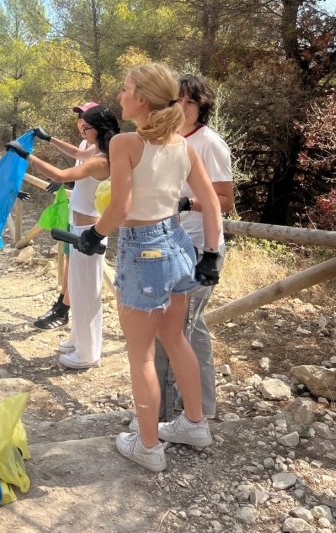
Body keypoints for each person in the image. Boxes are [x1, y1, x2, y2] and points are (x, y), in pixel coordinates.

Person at [73, 63, 222, 472]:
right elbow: (212, 202)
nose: (119, 96)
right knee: (175, 338)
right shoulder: (183, 147)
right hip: (177, 243)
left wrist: (93, 235)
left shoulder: (125, 143)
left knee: (140, 355)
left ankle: (149, 446)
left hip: (142, 250)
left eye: (125, 89)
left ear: (140, 99)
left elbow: (120, 207)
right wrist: (211, 254)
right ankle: (195, 424)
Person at [6, 105, 120, 369]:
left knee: (87, 293)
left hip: (90, 233)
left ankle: (88, 353)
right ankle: (78, 340)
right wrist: (47, 140)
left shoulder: (101, 160)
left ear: (97, 130)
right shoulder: (95, 150)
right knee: (78, 290)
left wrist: (27, 156)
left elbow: (60, 175)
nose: (82, 129)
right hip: (79, 229)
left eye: (86, 126)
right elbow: (77, 153)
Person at [149, 74, 235, 424]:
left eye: (190, 102)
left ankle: (171, 414)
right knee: (190, 329)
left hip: (201, 249)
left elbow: (225, 200)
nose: (182, 108)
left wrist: (187, 203)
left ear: (202, 107)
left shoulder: (210, 143)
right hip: (170, 245)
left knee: (176, 330)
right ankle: (198, 408)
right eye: (177, 101)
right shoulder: (169, 140)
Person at [33, 102, 99, 330]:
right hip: (75, 213)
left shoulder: (100, 148)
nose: (81, 122)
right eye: (80, 118)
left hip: (91, 219)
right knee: (70, 262)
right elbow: (82, 171)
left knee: (82, 272)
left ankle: (65, 311)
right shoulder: (84, 143)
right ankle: (62, 305)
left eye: (86, 118)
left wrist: (46, 141)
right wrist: (67, 182)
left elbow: (81, 158)